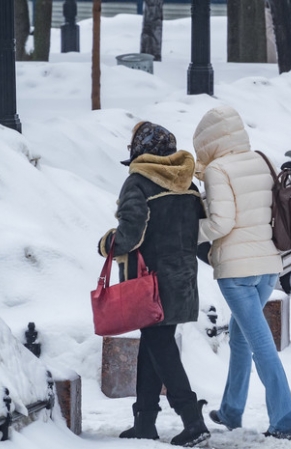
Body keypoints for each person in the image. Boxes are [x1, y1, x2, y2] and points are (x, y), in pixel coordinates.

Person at [97, 121, 211, 447]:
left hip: (151, 284)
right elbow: (200, 235)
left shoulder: (138, 182)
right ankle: (144, 421)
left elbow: (129, 236)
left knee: (160, 346)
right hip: (184, 280)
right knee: (153, 345)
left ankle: (192, 419)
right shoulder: (187, 183)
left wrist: (108, 243)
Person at [192, 105, 291, 440]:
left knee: (261, 343)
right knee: (240, 338)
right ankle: (231, 410)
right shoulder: (261, 159)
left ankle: (284, 420)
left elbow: (221, 222)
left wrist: (186, 233)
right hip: (268, 267)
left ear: (208, 141)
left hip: (237, 272)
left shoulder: (218, 170)